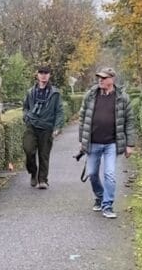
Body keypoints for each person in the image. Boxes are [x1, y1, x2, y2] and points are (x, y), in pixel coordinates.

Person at [77, 67, 135, 219]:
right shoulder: (90, 95)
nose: (100, 80)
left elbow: (129, 122)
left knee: (109, 174)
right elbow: (82, 119)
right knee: (92, 174)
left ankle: (107, 205)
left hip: (111, 144)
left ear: (112, 79)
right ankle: (100, 196)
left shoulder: (123, 98)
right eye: (99, 77)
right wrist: (81, 141)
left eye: (104, 77)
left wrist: (130, 145)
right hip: (93, 143)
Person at [22, 66, 66, 189]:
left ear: (49, 75)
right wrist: (26, 117)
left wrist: (57, 126)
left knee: (44, 154)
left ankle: (42, 180)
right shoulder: (31, 92)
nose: (43, 75)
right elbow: (25, 107)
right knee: (28, 149)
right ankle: (33, 172)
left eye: (46, 73)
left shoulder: (55, 93)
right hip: (32, 125)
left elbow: (60, 111)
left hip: (47, 127)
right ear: (37, 75)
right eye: (41, 73)